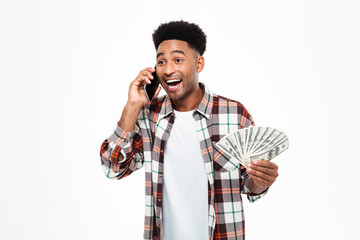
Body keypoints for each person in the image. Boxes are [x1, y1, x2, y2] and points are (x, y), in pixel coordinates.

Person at [100, 20, 279, 240]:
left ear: (199, 64)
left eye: (178, 59)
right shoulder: (149, 117)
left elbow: (248, 184)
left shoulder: (234, 114)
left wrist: (259, 182)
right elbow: (112, 167)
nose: (168, 70)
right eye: (161, 61)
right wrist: (132, 106)